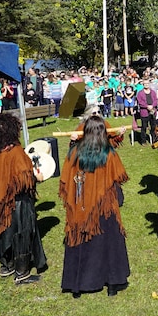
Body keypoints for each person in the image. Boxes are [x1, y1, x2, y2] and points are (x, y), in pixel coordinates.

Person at [59, 116, 131, 298]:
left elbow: (66, 180)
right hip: (103, 206)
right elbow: (117, 177)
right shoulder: (108, 152)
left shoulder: (74, 152)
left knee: (82, 239)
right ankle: (112, 282)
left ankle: (78, 284)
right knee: (109, 242)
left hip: (82, 204)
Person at [0, 114, 48, 285]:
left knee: (2, 230)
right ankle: (21, 273)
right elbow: (24, 178)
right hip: (17, 201)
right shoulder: (15, 151)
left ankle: (6, 266)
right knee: (21, 233)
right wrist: (36, 176)